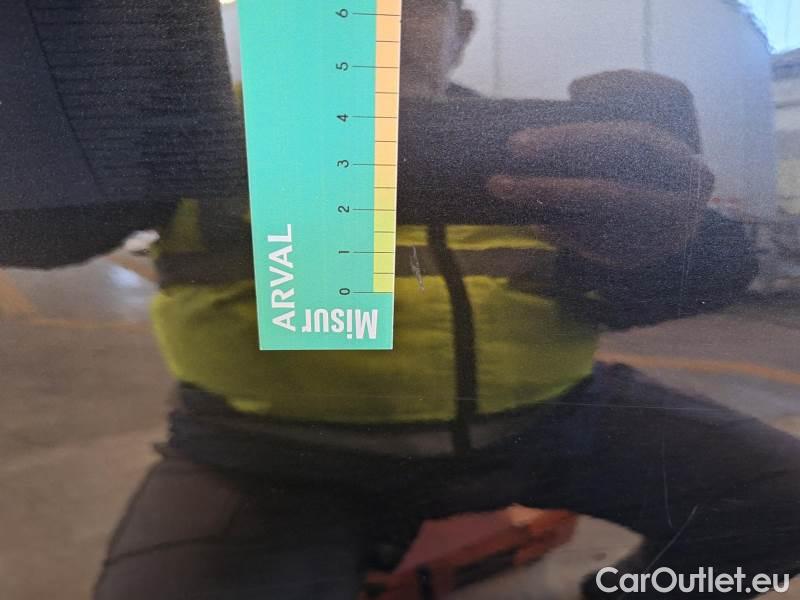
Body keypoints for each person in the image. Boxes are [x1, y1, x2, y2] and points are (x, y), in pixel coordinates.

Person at [2, 1, 795, 598]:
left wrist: (674, 248)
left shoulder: (547, 146)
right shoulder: (194, 135)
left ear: (461, 31)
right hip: (274, 454)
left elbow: (657, 286)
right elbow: (47, 230)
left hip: (553, 419)